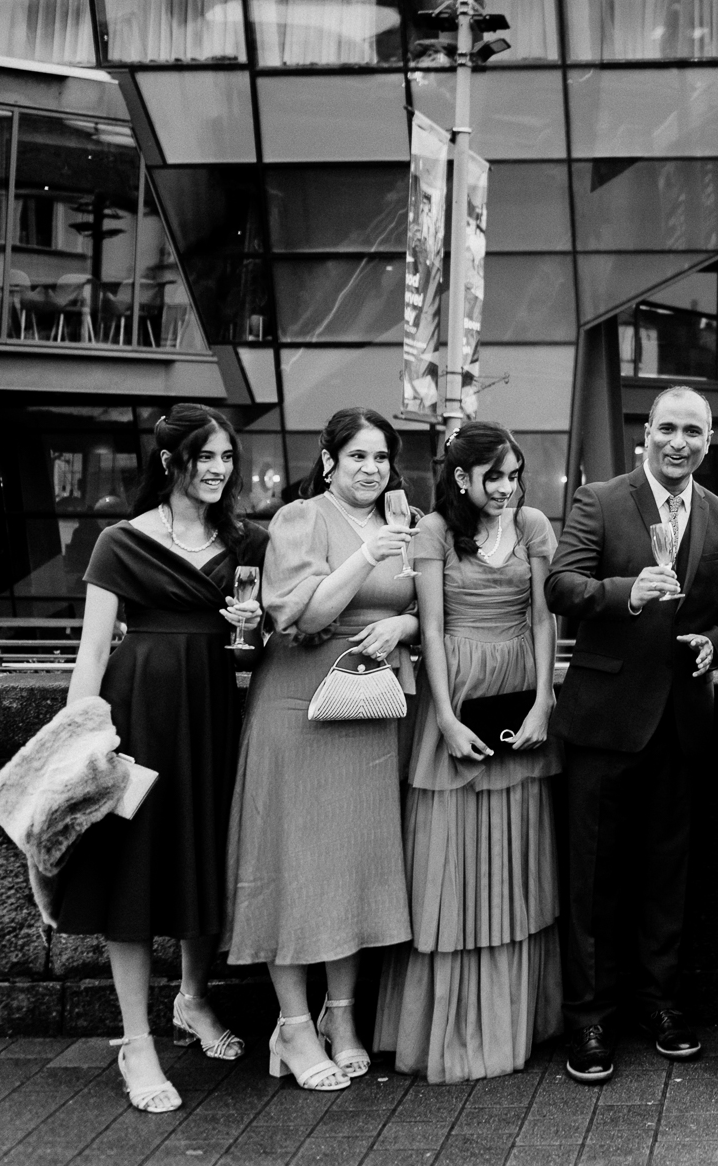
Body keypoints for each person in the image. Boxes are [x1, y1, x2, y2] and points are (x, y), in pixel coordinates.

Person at [55, 404, 265, 1114]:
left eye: (227, 458)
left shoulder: (247, 542)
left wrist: (252, 630)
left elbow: (256, 653)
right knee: (135, 873)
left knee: (207, 854)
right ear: (171, 461)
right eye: (205, 456)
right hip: (138, 710)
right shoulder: (120, 540)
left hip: (213, 710)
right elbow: (91, 652)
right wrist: (82, 740)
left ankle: (194, 1000)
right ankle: (135, 1040)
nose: (217, 469)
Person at [547, 385, 718, 1086]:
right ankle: (590, 1019)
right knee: (594, 880)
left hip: (683, 724)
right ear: (646, 432)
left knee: (669, 878)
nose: (679, 442)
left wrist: (716, 646)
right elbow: (561, 585)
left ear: (708, 438)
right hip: (604, 722)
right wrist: (622, 593)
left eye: (693, 431)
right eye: (668, 428)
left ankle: (659, 1006)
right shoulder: (599, 501)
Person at [225, 407, 418, 1091]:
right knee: (298, 862)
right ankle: (293, 1025)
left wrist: (403, 620)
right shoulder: (301, 519)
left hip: (370, 707)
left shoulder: (406, 521)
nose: (372, 468)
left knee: (352, 865)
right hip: (300, 706)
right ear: (330, 461)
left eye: (381, 457)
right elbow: (301, 614)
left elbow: (433, 604)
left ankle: (341, 1016)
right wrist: (370, 552)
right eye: (358, 456)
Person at [375, 421, 563, 1081]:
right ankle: (448, 1031)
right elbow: (429, 626)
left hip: (517, 697)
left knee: (514, 866)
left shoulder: (535, 524)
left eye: (515, 475)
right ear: (461, 477)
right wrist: (448, 721)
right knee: (447, 867)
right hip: (452, 700)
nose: (508, 488)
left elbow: (544, 618)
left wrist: (543, 703)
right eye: (495, 476)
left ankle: (511, 1026)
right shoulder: (433, 531)